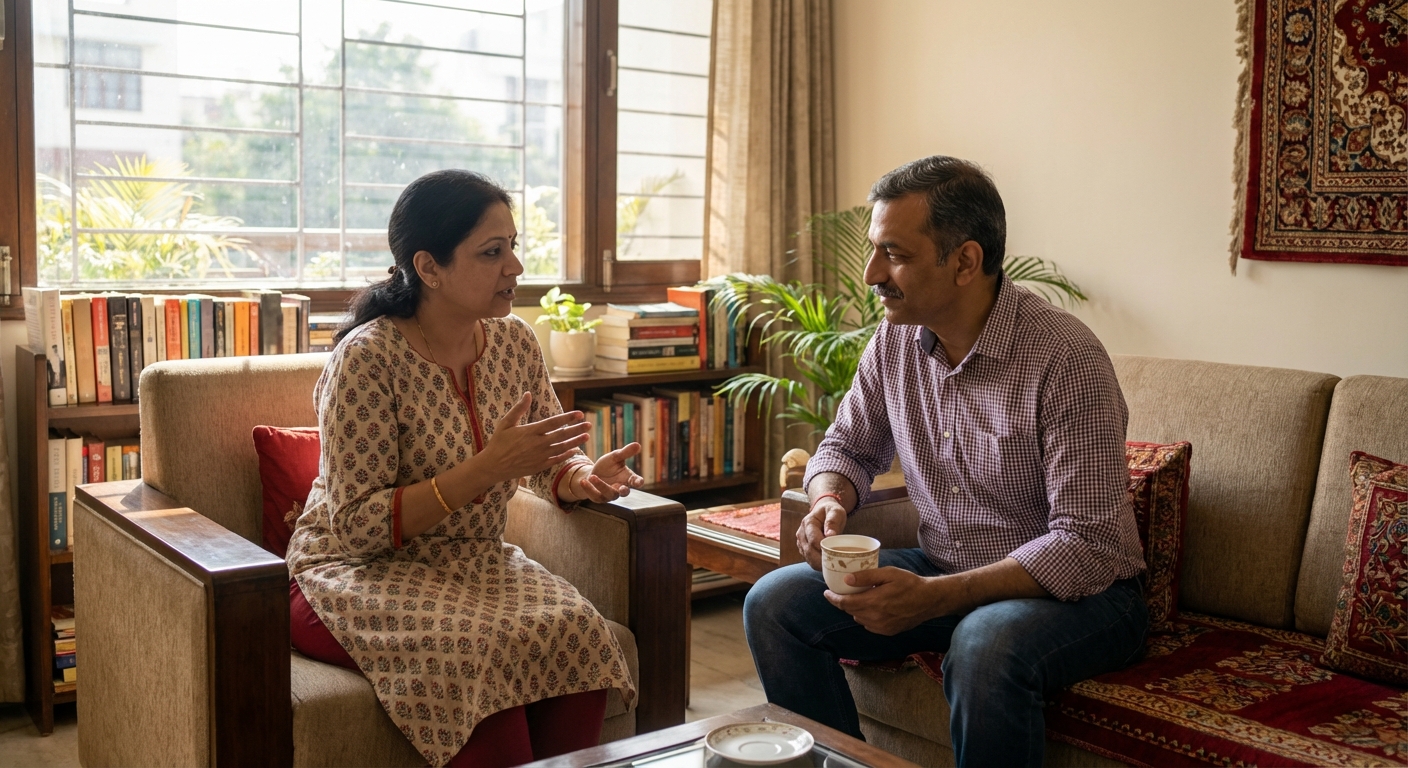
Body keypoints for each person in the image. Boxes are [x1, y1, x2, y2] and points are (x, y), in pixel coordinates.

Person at [743, 156, 1148, 768]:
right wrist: (830, 499)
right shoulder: (894, 340)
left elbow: (1085, 543)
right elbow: (846, 448)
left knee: (983, 642)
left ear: (964, 260)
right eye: (875, 250)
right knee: (774, 604)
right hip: (945, 565)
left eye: (896, 254)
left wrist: (936, 596)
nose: (872, 274)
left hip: (1086, 598)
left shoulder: (1066, 361)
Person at [285, 169, 643, 768]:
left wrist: (582, 478)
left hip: (473, 562)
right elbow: (355, 527)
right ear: (428, 268)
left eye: (514, 247)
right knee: (476, 655)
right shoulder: (367, 360)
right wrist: (484, 469)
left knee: (577, 628)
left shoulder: (515, 342)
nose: (516, 267)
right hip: (351, 572)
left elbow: (544, 456)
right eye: (492, 252)